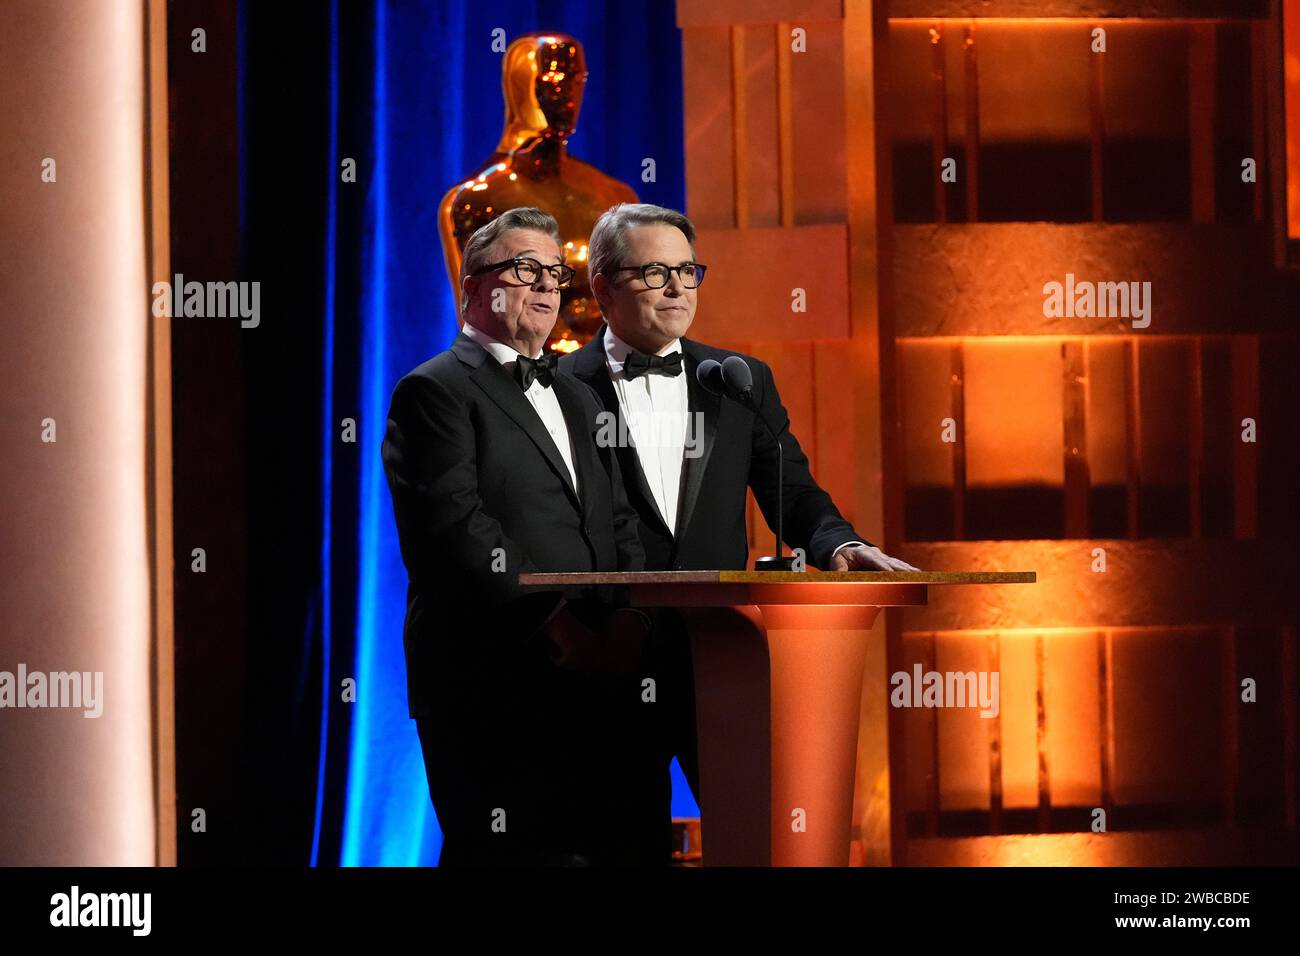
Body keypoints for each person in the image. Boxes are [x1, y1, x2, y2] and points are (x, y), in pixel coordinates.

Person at [559, 202, 920, 800]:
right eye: (655, 273)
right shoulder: (557, 387)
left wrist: (841, 543)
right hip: (607, 659)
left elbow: (792, 490)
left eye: (688, 270)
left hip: (721, 656)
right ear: (602, 287)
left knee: (753, 831)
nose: (677, 287)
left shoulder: (738, 379)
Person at [381, 206, 668, 866]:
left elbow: (620, 521)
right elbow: (455, 531)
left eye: (554, 272)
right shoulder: (433, 392)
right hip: (494, 678)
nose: (546, 285)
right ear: (476, 286)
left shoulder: (580, 398)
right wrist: (557, 626)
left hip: (603, 678)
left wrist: (629, 622)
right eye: (525, 268)